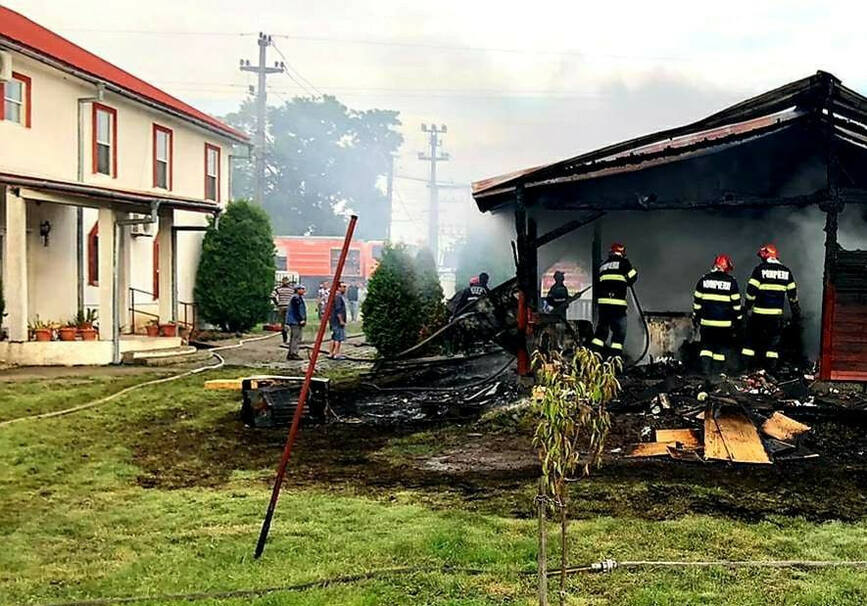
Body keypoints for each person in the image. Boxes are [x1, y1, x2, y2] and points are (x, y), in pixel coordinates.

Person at [741, 244, 800, 371]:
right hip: (775, 316)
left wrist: (747, 308)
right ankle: (770, 370)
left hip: (759, 315)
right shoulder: (786, 271)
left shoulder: (759, 270)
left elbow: (751, 291)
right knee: (773, 345)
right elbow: (792, 295)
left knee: (751, 342)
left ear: (765, 256)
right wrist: (796, 313)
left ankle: (747, 369)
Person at [692, 254, 741, 376]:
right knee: (721, 348)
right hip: (724, 325)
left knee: (706, 348)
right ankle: (718, 372)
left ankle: (705, 370)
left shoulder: (704, 280)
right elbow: (736, 304)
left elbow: (697, 302)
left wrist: (696, 316)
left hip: (707, 323)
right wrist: (739, 319)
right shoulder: (731, 282)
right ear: (726, 267)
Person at [591, 242, 638, 357]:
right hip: (617, 305)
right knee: (619, 332)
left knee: (601, 332)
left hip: (603, 306)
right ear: (622, 252)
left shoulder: (603, 265)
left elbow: (598, 285)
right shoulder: (623, 263)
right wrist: (633, 272)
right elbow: (632, 277)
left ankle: (593, 357)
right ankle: (614, 359)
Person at [285, 285, 307, 360]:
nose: (304, 290)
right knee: (296, 337)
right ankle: (293, 353)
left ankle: (291, 352)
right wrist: (300, 319)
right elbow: (296, 311)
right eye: (302, 289)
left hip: (295, 320)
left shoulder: (297, 298)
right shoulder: (296, 298)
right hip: (295, 321)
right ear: (297, 290)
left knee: (294, 337)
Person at [271, 276, 295, 343]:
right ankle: (290, 335)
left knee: (283, 322)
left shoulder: (278, 289)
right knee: (290, 322)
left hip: (281, 307)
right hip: (289, 307)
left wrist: (277, 303)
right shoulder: (292, 289)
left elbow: (272, 296)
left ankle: (284, 338)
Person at [329, 282, 348, 359]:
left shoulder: (334, 296)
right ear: (338, 288)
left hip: (333, 319)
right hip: (337, 320)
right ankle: (336, 353)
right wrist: (341, 320)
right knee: (338, 337)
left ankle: (331, 353)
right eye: (343, 287)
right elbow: (338, 309)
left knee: (333, 336)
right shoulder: (338, 297)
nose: (345, 288)